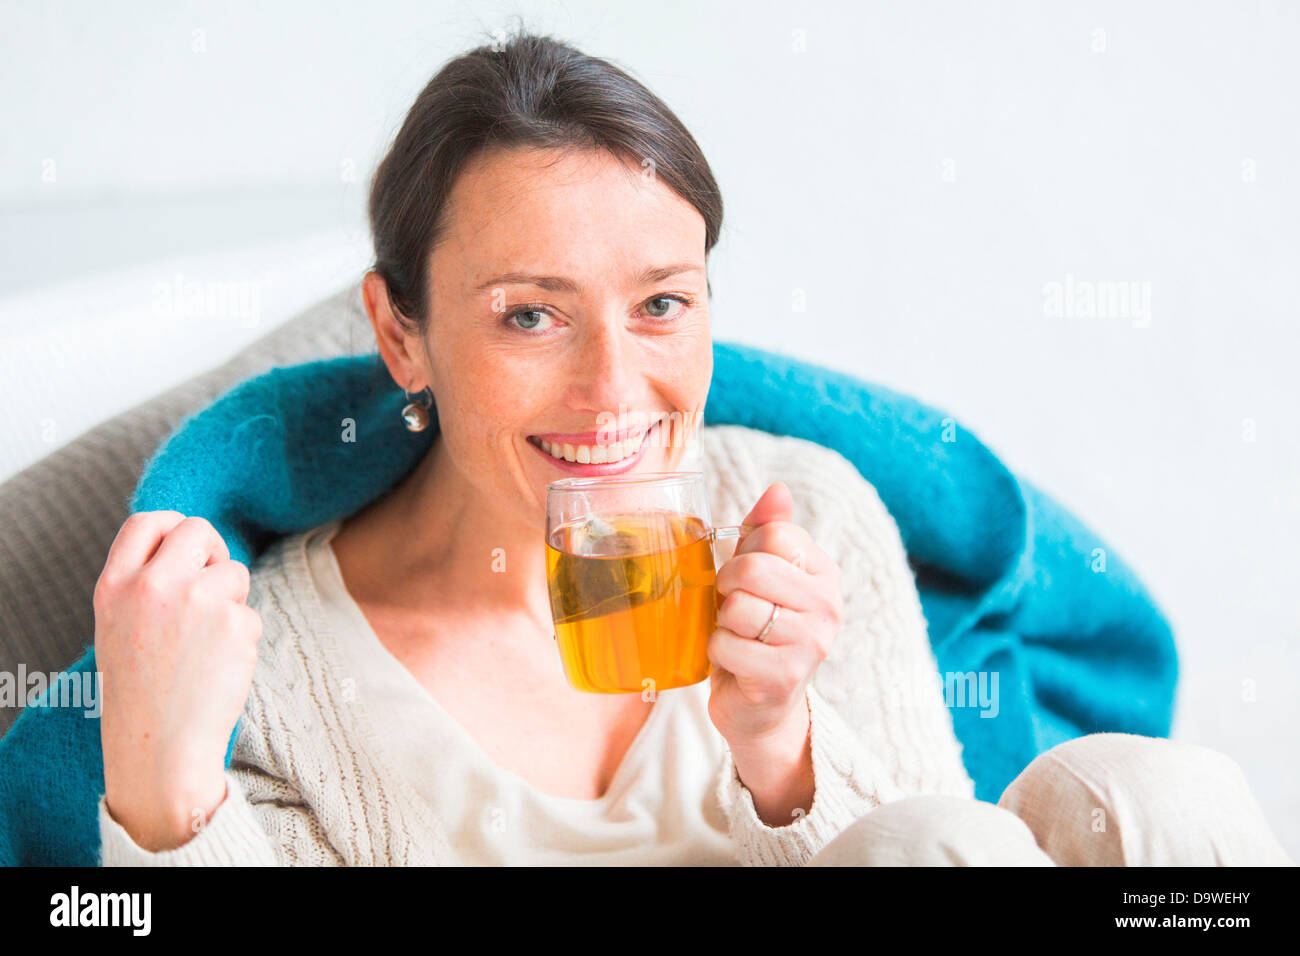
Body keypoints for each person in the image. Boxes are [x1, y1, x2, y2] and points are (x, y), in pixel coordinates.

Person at [90, 30, 1291, 867]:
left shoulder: (801, 511)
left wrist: (779, 746)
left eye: (660, 304)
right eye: (529, 314)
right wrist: (159, 801)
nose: (615, 389)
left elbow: (937, 839)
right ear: (400, 333)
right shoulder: (277, 655)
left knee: (1156, 797)